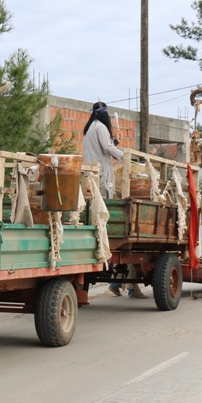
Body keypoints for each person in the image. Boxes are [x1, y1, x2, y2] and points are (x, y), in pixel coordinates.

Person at [82, 101, 126, 296]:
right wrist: (125, 155)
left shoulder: (91, 128)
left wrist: (114, 142)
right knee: (102, 208)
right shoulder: (100, 127)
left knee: (93, 206)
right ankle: (104, 236)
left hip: (92, 174)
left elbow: (104, 147)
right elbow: (107, 149)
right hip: (100, 175)